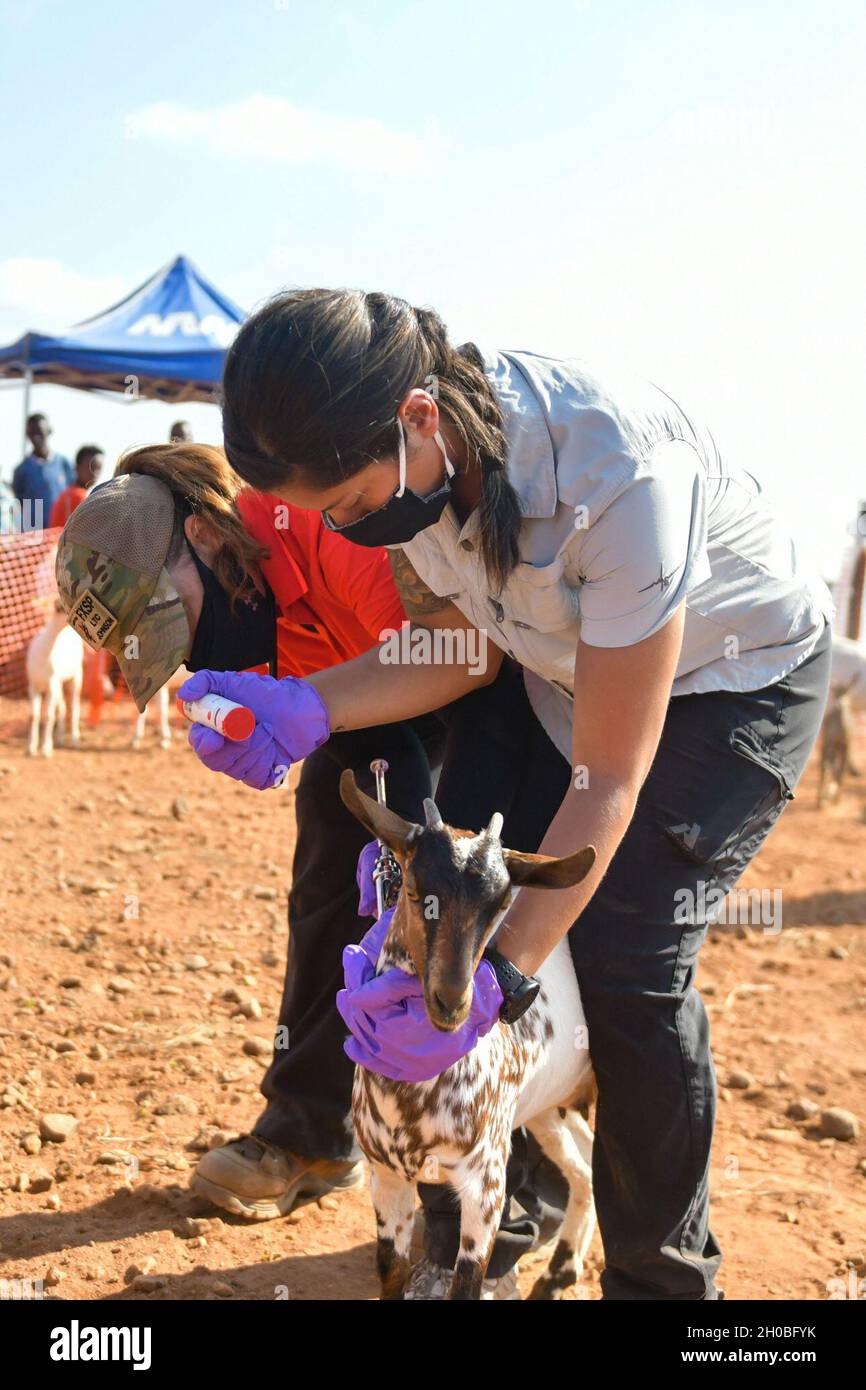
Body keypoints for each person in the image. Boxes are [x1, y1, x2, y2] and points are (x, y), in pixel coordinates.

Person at [179, 287, 833, 1301]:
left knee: (621, 946)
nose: (348, 531)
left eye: (347, 507)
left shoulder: (613, 476)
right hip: (554, 664)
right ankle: (504, 1206)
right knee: (456, 884)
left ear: (418, 420)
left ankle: (663, 1283)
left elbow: (608, 779)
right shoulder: (415, 474)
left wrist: (495, 984)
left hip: (729, 679)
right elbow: (465, 652)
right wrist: (308, 705)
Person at [53, 443, 560, 1284]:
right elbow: (319, 700)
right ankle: (312, 1130)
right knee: (329, 880)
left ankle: (512, 1196)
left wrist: (315, 707)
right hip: (369, 696)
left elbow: (465, 656)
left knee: (474, 907)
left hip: (494, 691)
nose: (187, 652)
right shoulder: (244, 591)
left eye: (174, 621)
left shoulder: (327, 524)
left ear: (209, 537)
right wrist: (273, 720)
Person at [12, 413, 73, 529]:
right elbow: (19, 507)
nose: (36, 436)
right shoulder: (21, 470)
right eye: (32, 433)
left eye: (39, 431)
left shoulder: (65, 464)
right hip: (35, 537)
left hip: (61, 533)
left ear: (49, 431)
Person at [48, 445, 104, 528]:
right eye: (92, 467)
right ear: (77, 467)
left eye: (98, 468)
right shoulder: (78, 496)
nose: (95, 473)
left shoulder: (68, 493)